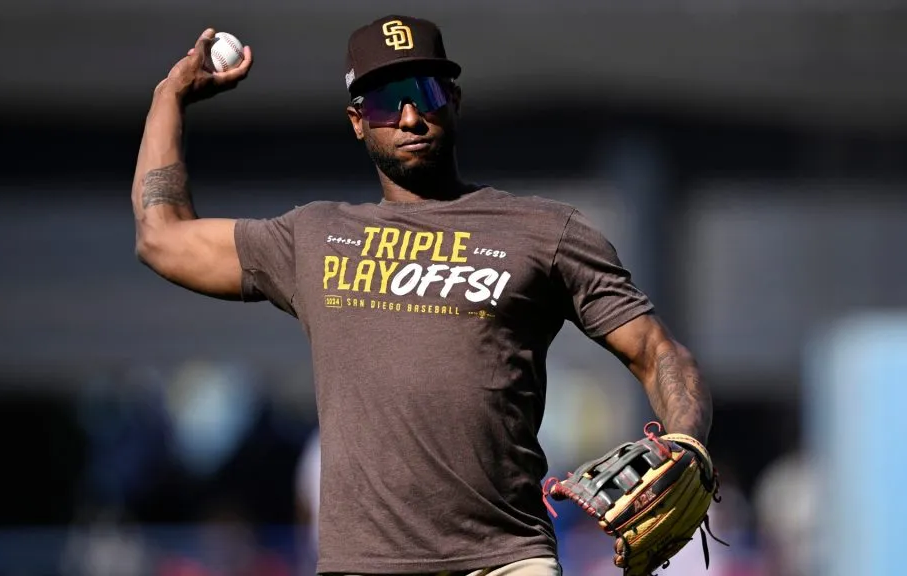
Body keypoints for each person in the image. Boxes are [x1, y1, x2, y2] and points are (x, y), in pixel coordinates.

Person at [131, 15, 714, 576]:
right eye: (387, 102)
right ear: (358, 120)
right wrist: (168, 98)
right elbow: (163, 239)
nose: (410, 116)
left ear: (452, 100)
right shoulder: (312, 238)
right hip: (365, 565)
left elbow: (657, 352)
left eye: (426, 92)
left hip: (508, 559)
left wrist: (687, 441)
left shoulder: (547, 232)